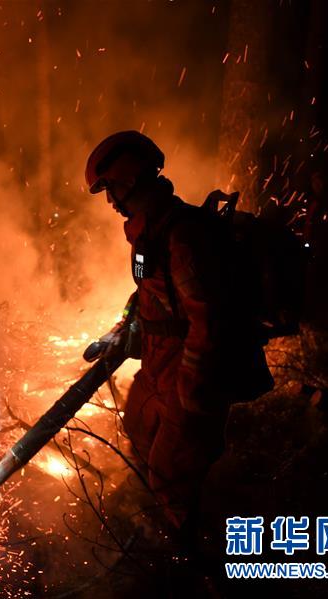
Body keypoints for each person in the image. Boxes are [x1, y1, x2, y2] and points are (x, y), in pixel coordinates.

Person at [84, 131, 273, 534]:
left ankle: (194, 548)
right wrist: (119, 331)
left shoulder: (185, 237)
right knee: (137, 429)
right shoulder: (148, 232)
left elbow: (209, 321)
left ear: (130, 179)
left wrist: (192, 393)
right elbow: (146, 295)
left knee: (171, 474)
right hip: (158, 364)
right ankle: (162, 515)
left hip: (189, 374)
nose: (110, 201)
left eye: (111, 189)